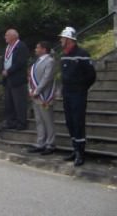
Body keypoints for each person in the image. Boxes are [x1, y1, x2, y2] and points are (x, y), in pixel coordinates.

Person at [59, 27, 96, 166]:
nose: (60, 40)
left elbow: (91, 75)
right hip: (67, 93)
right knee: (70, 122)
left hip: (78, 94)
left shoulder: (82, 54)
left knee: (78, 122)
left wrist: (81, 88)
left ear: (69, 40)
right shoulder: (63, 55)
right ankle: (74, 149)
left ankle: (81, 152)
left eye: (62, 38)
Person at [28, 41, 56, 155]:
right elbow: (30, 78)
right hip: (35, 96)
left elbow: (47, 78)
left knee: (48, 121)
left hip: (44, 96)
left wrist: (37, 91)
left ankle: (50, 144)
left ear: (44, 49)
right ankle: (41, 143)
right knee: (39, 121)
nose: (35, 49)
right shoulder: (36, 62)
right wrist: (30, 90)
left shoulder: (50, 61)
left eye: (37, 47)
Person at [1, 29, 30, 130]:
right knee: (9, 102)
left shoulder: (21, 46)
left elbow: (20, 63)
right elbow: (3, 60)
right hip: (8, 79)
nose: (5, 37)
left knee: (19, 102)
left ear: (13, 36)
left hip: (18, 80)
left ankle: (21, 122)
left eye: (7, 35)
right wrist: (2, 70)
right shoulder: (7, 47)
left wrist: (8, 71)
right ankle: (11, 122)